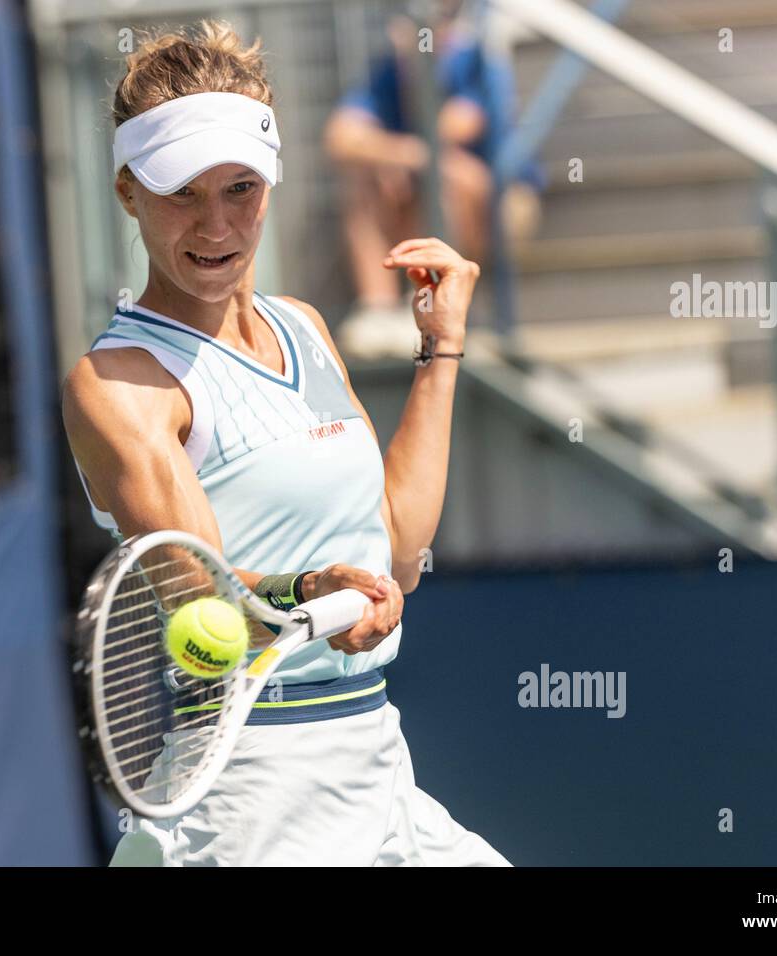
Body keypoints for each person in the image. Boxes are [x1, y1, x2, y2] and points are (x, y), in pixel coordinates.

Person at [62, 18, 511, 866]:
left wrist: (441, 350)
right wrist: (313, 586)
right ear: (127, 191)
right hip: (250, 795)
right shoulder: (120, 382)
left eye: (239, 188)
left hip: (377, 761)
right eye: (180, 192)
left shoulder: (302, 326)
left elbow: (400, 551)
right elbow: (206, 602)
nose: (216, 224)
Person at [324, 0, 542, 358]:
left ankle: (432, 303)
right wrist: (398, 157)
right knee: (368, 177)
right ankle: (378, 310)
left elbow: (456, 128)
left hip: (503, 203)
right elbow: (339, 137)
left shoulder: (476, 62)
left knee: (448, 173)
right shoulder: (391, 70)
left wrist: (400, 154)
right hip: (422, 190)